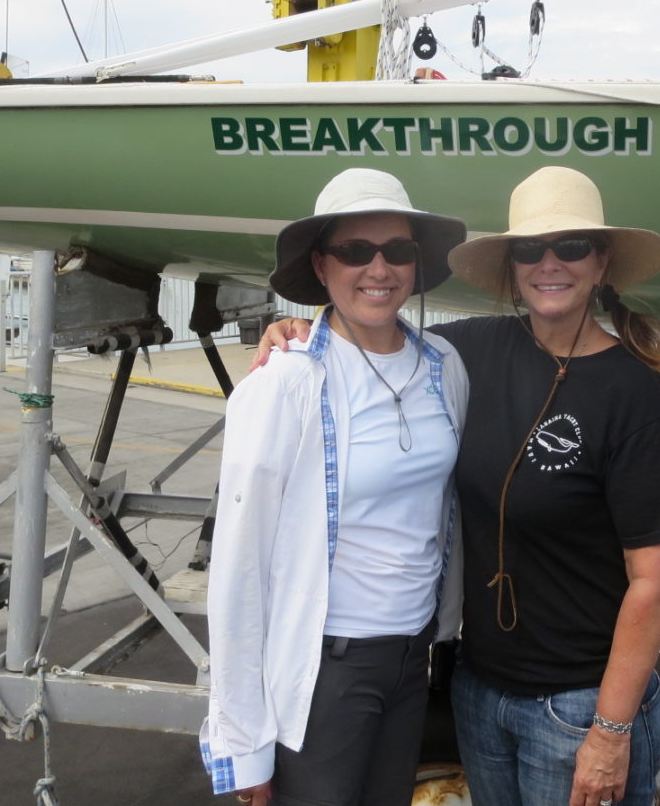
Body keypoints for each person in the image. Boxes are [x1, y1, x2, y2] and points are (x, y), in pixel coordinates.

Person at [259, 166, 660, 806]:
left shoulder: (633, 394)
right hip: (480, 689)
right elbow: (373, 332)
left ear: (601, 264)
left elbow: (655, 578)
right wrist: (299, 330)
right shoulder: (471, 352)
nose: (550, 263)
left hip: (578, 703)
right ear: (512, 266)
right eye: (529, 249)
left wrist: (610, 732)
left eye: (571, 247)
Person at [201, 168, 469, 806]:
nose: (378, 268)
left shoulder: (445, 367)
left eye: (398, 251)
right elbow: (239, 566)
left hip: (412, 658)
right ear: (321, 266)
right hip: (326, 668)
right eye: (355, 251)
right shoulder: (285, 382)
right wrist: (242, 745)